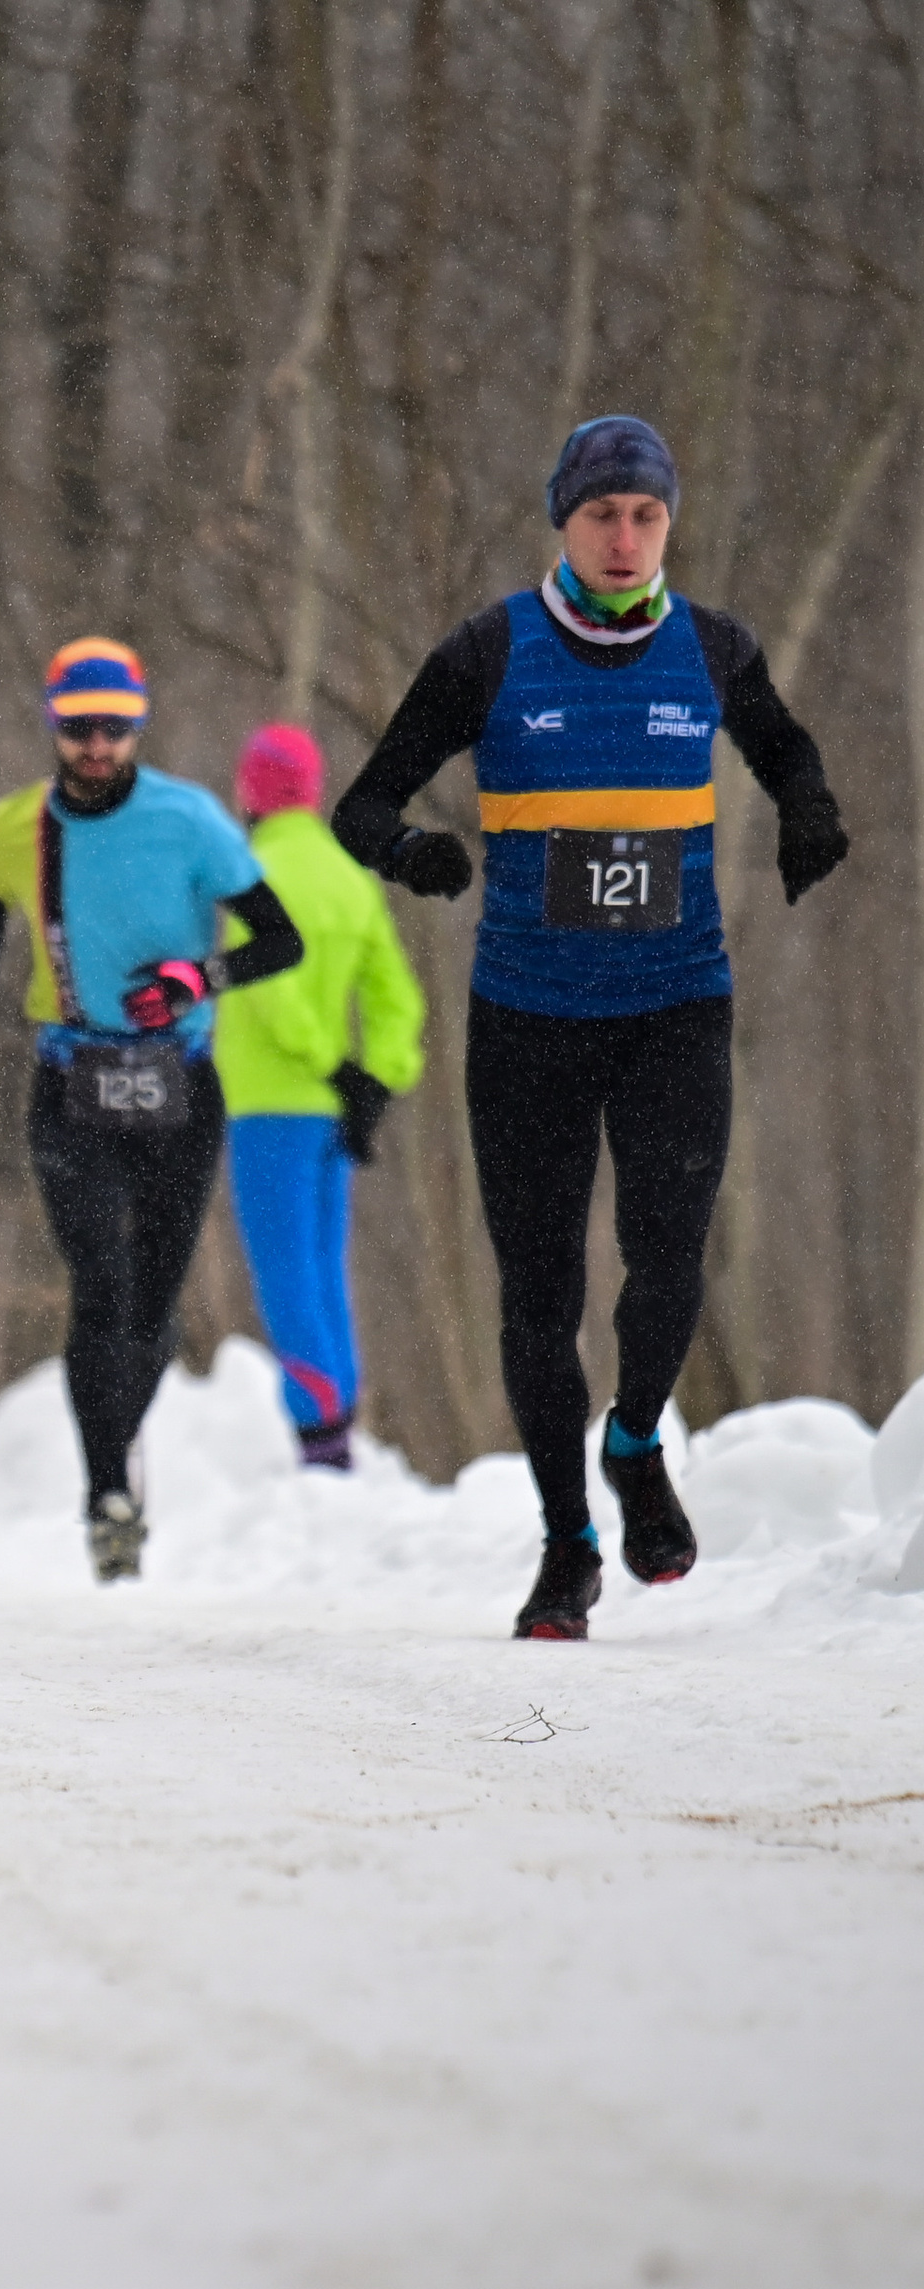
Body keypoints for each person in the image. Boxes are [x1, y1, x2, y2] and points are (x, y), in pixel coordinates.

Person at [335, 415, 847, 1639]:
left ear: (669, 523)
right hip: (527, 1020)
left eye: (646, 515)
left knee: (671, 1264)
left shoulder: (711, 648)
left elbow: (781, 743)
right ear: (562, 522)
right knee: (538, 1293)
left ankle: (633, 1444)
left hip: (676, 1004)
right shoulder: (489, 651)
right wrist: (411, 852)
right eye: (601, 514)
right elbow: (360, 803)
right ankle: (566, 1546)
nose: (624, 538)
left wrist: (808, 811)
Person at [0, 641, 304, 1580]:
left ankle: (112, 1456)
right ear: (53, 726)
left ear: (140, 727)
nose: (96, 745)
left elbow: (280, 940)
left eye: (114, 728)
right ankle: (107, 1496)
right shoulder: (20, 827)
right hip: (71, 1082)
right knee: (101, 1284)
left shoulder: (191, 819)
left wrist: (195, 976)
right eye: (78, 728)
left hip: (181, 1083)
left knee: (157, 1298)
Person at [214, 723, 426, 1468]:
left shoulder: (248, 871)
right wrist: (377, 1078)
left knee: (285, 1273)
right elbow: (398, 997)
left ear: (250, 792)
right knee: (325, 1264)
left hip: (271, 1103)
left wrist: (332, 1067)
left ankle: (320, 1434)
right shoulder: (351, 878)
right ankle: (340, 1413)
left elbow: (265, 983)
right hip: (335, 1115)